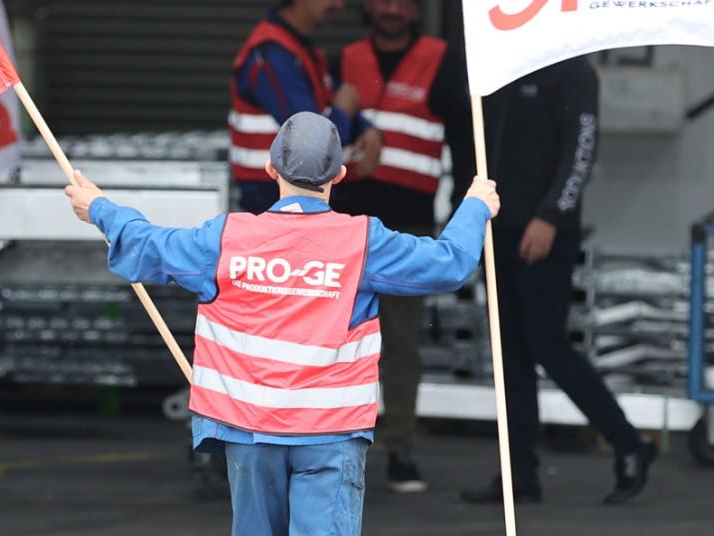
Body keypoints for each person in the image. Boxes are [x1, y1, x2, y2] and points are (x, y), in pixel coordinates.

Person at [65, 112, 499, 536]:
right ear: (340, 176)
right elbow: (449, 263)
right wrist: (476, 205)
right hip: (330, 439)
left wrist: (99, 208)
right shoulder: (363, 242)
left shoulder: (227, 238)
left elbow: (148, 245)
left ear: (271, 169)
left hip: (249, 435)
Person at [457, 57, 656, 506]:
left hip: (544, 233)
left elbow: (582, 146)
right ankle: (520, 474)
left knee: (547, 345)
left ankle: (629, 443)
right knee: (510, 353)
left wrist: (551, 214)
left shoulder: (571, 70)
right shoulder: (503, 64)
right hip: (498, 227)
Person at [335, 0, 474, 493]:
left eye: (402, 1)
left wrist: (465, 211)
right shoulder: (344, 59)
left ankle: (400, 449)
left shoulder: (441, 58)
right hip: (342, 222)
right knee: (332, 340)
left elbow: (463, 138)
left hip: (409, 227)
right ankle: (325, 445)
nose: (391, 9)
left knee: (400, 344)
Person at [230, 0, 384, 213]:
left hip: (292, 194)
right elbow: (310, 139)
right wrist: (343, 112)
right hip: (275, 199)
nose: (339, 6)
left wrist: (363, 126)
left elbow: (327, 101)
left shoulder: (297, 49)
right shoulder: (274, 54)